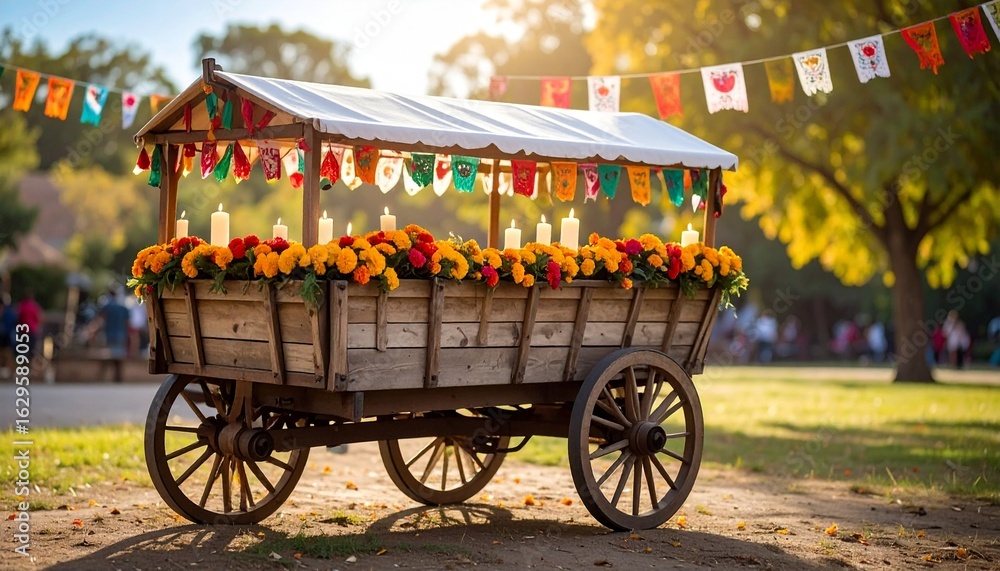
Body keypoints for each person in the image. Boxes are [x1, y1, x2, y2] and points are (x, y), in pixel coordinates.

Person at [101, 290, 130, 383]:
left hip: (110, 333)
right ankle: (118, 376)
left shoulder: (107, 307)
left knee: (110, 355)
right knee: (119, 355)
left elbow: (102, 320)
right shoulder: (123, 308)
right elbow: (127, 323)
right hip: (121, 333)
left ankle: (107, 376)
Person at [16, 291, 43, 362]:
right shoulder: (35, 306)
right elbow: (39, 318)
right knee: (32, 349)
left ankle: (21, 365)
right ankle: (30, 365)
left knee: (22, 348)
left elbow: (18, 317)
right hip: (32, 330)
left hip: (23, 330)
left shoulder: (21, 306)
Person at [0, 294, 17, 379]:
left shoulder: (4, 311)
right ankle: (11, 372)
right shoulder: (12, 311)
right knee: (9, 353)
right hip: (10, 334)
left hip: (5, 334)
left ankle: (9, 371)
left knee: (6, 353)